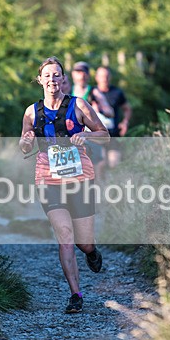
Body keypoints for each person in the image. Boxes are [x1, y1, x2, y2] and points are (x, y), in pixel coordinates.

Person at [19, 56, 110, 314]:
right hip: (48, 179)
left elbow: (105, 136)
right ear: (40, 80)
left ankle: (92, 252)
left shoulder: (78, 105)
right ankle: (75, 295)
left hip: (80, 178)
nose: (52, 80)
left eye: (56, 75)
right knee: (65, 237)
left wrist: (87, 134)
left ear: (63, 79)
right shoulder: (31, 112)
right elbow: (24, 144)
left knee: (84, 243)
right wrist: (25, 141)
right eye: (47, 75)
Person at [70, 61, 113, 177]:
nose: (81, 75)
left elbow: (110, 112)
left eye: (84, 72)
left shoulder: (94, 92)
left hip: (90, 134)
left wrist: (99, 110)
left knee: (96, 166)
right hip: (72, 136)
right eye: (78, 72)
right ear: (73, 74)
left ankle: (97, 189)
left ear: (88, 75)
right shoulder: (67, 91)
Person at [93, 66, 132, 169]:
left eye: (106, 76)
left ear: (110, 77)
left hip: (114, 134)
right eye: (101, 76)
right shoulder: (91, 93)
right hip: (96, 135)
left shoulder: (117, 92)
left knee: (114, 164)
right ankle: (101, 185)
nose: (104, 79)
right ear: (96, 77)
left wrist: (125, 122)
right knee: (100, 165)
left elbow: (127, 108)